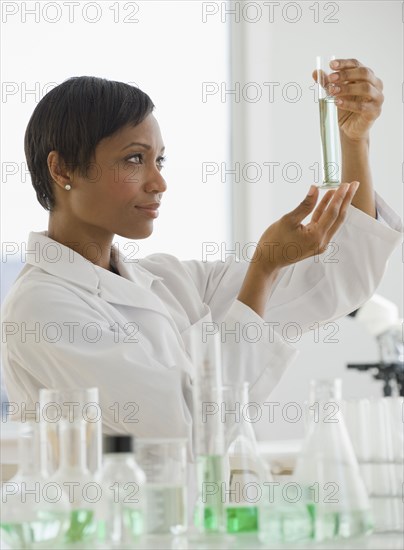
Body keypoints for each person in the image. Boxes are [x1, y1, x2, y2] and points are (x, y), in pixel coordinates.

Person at [1, 60, 402, 453]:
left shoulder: (169, 281)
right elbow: (186, 426)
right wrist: (262, 270)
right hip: (109, 518)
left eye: (159, 160)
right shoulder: (41, 306)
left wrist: (354, 143)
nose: (159, 182)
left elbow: (334, 280)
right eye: (134, 159)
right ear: (63, 169)